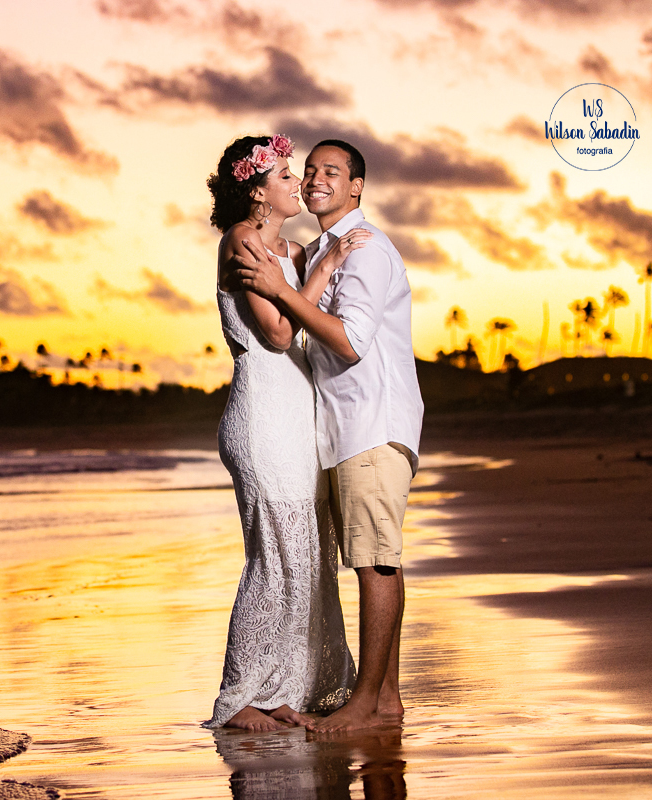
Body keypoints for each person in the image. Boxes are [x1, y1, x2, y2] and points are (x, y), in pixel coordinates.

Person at [232, 139, 424, 733]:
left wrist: (292, 289)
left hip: (371, 425)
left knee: (374, 562)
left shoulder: (364, 250)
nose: (314, 179)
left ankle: (365, 703)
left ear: (357, 186)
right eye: (307, 170)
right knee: (374, 557)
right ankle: (383, 697)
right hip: (341, 429)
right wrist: (313, 270)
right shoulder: (321, 249)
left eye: (330, 172)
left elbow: (350, 340)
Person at [204, 135, 370, 732]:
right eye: (283, 175)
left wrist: (313, 263)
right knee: (273, 553)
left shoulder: (290, 247)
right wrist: (323, 268)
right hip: (261, 414)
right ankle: (243, 695)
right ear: (256, 189)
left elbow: (310, 320)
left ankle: (292, 686)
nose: (297, 183)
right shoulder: (241, 241)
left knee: (307, 554)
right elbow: (277, 333)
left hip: (301, 413)